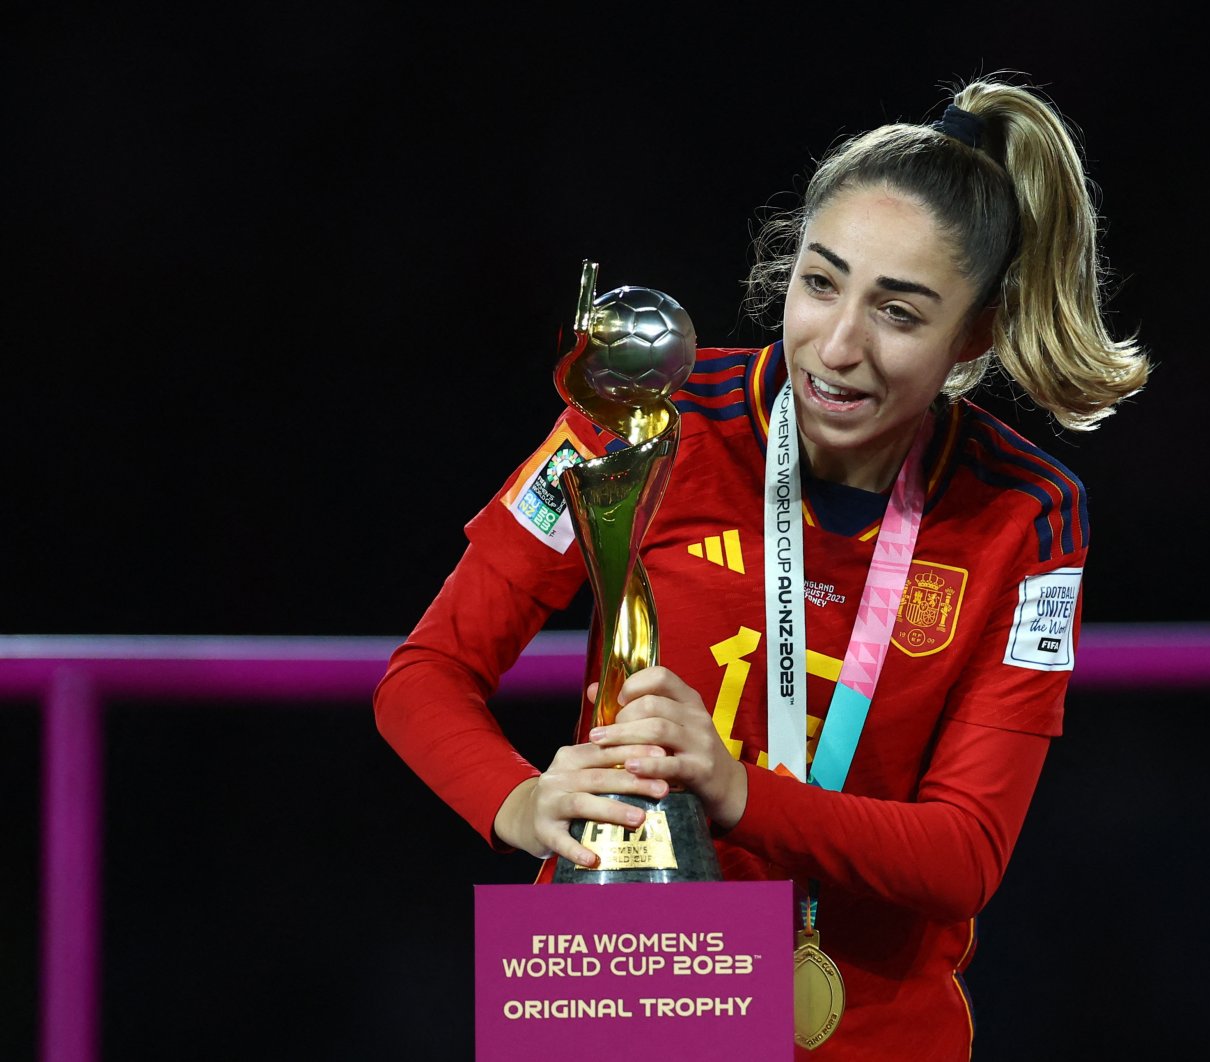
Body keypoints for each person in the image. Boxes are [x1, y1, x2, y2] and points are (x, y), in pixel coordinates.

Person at [375, 74, 1148, 1059]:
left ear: (975, 335)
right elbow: (425, 676)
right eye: (821, 283)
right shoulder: (641, 415)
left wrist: (734, 790)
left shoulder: (1027, 512)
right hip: (626, 975)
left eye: (899, 314)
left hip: (866, 1022)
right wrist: (517, 801)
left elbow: (966, 857)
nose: (837, 346)